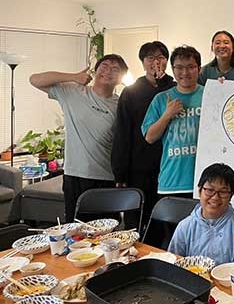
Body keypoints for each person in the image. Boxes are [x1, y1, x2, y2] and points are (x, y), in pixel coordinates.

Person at [29, 54, 128, 222]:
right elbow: (35, 79)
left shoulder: (121, 105)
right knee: (76, 230)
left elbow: (125, 142)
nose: (108, 71)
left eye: (115, 69)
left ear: (120, 79)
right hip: (75, 176)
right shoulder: (72, 92)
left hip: (107, 178)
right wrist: (73, 77)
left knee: (107, 232)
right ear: (95, 71)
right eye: (104, 66)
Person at [111, 41, 175, 229]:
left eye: (161, 57)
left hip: (169, 165)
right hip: (139, 167)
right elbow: (122, 132)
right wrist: (120, 172)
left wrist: (163, 84)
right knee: (137, 220)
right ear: (143, 62)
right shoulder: (131, 92)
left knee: (166, 222)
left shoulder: (174, 87)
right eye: (150, 57)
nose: (155, 62)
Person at [142, 46, 203, 198]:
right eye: (179, 67)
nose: (185, 73)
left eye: (190, 67)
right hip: (172, 181)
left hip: (205, 183)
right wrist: (167, 115)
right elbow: (149, 137)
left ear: (199, 69)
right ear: (172, 69)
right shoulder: (162, 99)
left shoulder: (210, 94)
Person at [169, 163, 234, 264]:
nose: (215, 197)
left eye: (223, 192)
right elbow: (174, 262)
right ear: (199, 191)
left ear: (231, 195)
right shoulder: (185, 226)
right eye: (210, 190)